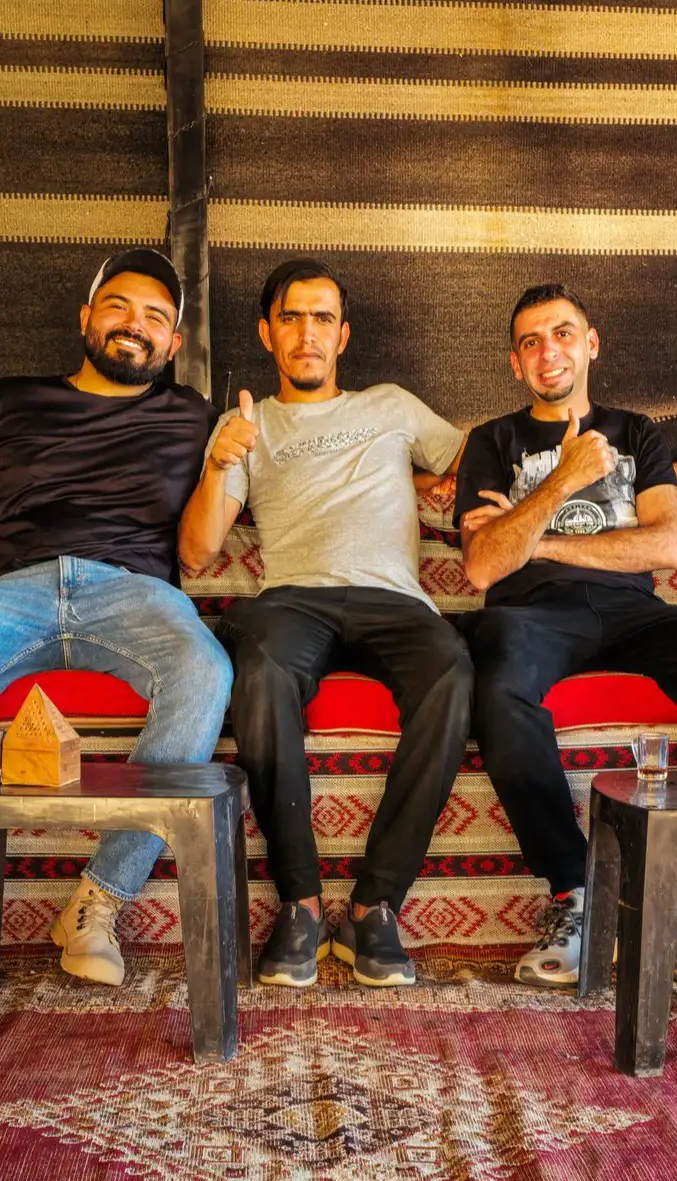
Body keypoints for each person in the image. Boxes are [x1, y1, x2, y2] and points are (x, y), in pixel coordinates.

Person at [455, 283, 677, 989]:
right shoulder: (491, 441)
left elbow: (668, 547)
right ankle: (575, 894)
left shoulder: (637, 433)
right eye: (531, 342)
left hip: (634, 611)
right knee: (495, 678)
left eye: (563, 334)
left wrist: (533, 540)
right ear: (515, 362)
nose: (549, 352)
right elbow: (482, 567)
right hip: (532, 616)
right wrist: (563, 480)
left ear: (591, 343)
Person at [0, 248, 233, 986]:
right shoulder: (7, 400)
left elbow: (203, 549)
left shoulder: (194, 416)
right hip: (14, 592)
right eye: (118, 307)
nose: (135, 324)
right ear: (86, 319)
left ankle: (98, 903)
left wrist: (224, 462)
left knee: (204, 668)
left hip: (133, 592)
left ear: (173, 343)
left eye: (156, 318)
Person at [179, 259, 472, 990]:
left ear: (343, 336)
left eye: (322, 319)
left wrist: (426, 481)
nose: (306, 333)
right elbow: (196, 552)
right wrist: (218, 465)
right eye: (291, 318)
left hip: (395, 600)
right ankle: (300, 903)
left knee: (452, 670)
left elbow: (474, 464)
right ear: (266, 333)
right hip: (293, 600)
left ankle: (375, 906)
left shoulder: (392, 406)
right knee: (259, 670)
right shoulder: (245, 425)